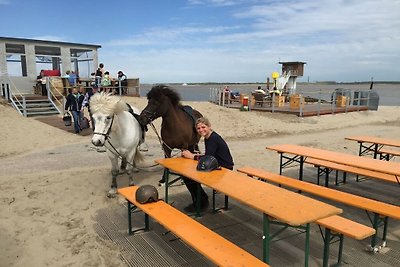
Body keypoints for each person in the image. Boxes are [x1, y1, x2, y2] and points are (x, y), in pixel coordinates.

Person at [181, 117, 234, 212]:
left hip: (224, 168)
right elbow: (209, 154)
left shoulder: (213, 138)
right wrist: (195, 155)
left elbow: (208, 158)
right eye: (198, 128)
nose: (201, 130)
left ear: (209, 127)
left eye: (203, 127)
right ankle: (201, 200)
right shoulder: (208, 137)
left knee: (190, 177)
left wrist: (192, 156)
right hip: (216, 164)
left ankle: (201, 202)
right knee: (187, 175)